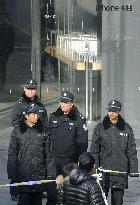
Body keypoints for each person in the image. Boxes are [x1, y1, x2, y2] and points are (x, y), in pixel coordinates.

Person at [90, 100, 138, 205]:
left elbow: (131, 150)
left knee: (118, 201)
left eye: (114, 111)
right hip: (103, 170)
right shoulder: (100, 128)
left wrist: (134, 169)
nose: (111, 113)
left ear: (119, 111)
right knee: (101, 200)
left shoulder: (126, 128)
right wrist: (95, 169)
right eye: (110, 110)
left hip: (120, 170)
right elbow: (94, 150)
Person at [46, 90, 88, 205]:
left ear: (71, 104)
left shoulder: (79, 119)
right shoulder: (53, 115)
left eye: (65, 102)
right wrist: (48, 157)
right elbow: (48, 137)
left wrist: (79, 162)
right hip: (54, 160)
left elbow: (82, 143)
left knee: (68, 192)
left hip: (70, 161)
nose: (62, 104)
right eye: (61, 101)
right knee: (51, 191)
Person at [7, 102, 49, 205]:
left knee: (37, 202)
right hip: (23, 176)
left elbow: (49, 154)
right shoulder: (18, 131)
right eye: (33, 114)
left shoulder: (43, 131)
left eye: (37, 114)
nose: (36, 116)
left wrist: (50, 174)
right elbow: (12, 154)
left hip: (39, 176)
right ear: (26, 116)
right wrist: (12, 174)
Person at [0, 1, 15, 90]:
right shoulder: (7, 18)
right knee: (2, 67)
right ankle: (1, 84)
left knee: (2, 67)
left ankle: (1, 85)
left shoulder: (6, 18)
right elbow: (11, 33)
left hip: (4, 47)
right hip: (5, 47)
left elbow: (11, 34)